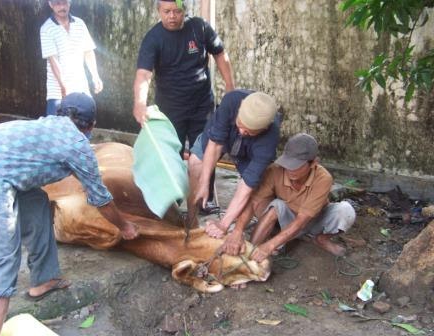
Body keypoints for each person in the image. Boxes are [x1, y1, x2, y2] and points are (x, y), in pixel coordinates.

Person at [0, 93, 138, 336]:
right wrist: (125, 226)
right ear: (92, 125)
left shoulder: (46, 124)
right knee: (2, 265)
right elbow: (100, 198)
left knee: (37, 200)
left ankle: (44, 279)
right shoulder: (77, 146)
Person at [221, 133, 356, 263]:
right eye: (287, 163)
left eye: (296, 165)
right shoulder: (275, 170)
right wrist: (238, 231)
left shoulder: (323, 178)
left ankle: (321, 239)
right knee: (277, 206)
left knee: (346, 210)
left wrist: (269, 246)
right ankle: (250, 252)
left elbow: (301, 221)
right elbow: (253, 202)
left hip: (314, 221)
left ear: (313, 163)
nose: (290, 169)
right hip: (285, 221)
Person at [132, 0, 235, 153]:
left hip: (202, 106)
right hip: (170, 109)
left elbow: (219, 54)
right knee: (171, 155)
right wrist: (140, 104)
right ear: (159, 11)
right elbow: (144, 74)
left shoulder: (200, 27)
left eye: (177, 11)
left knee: (204, 154)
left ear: (184, 10)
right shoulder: (152, 39)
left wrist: (230, 88)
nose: (172, 16)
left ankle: (203, 178)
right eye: (167, 12)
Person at [188, 89, 280, 233]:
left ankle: (260, 230)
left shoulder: (268, 140)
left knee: (261, 194)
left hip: (247, 152)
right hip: (225, 137)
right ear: (241, 106)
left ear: (264, 128)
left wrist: (223, 224)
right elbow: (215, 144)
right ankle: (191, 219)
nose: (242, 131)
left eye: (249, 131)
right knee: (195, 164)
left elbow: (247, 185)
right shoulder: (231, 101)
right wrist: (204, 183)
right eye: (240, 124)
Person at [40, 0, 103, 116]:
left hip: (81, 88)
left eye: (64, 3)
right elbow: (53, 61)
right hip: (58, 93)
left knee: (83, 130)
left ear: (69, 3)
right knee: (57, 131)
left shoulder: (80, 24)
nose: (62, 7)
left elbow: (88, 52)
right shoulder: (46, 29)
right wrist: (64, 88)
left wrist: (95, 76)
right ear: (50, 4)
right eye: (57, 4)